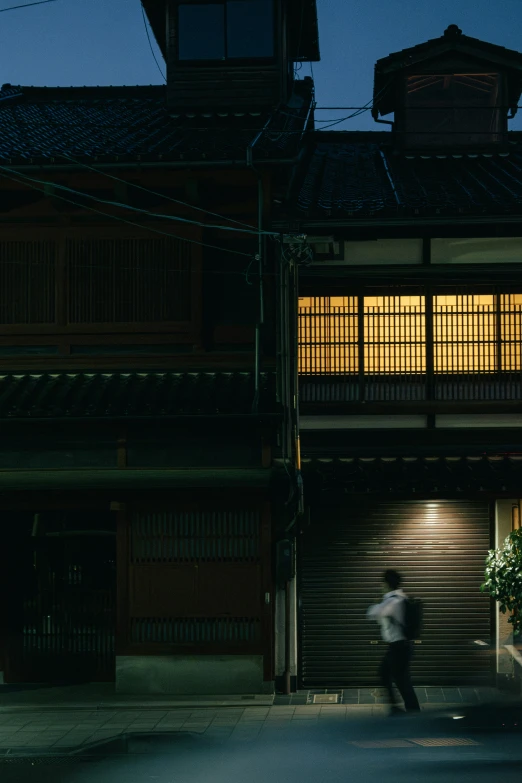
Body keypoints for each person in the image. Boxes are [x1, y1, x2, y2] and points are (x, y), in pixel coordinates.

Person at [367, 569, 420, 715]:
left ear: (386, 584)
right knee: (390, 675)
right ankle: (404, 709)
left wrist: (377, 602)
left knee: (401, 681)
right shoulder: (401, 597)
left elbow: (373, 613)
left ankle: (411, 711)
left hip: (398, 647)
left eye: (382, 583)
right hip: (401, 646)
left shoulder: (392, 601)